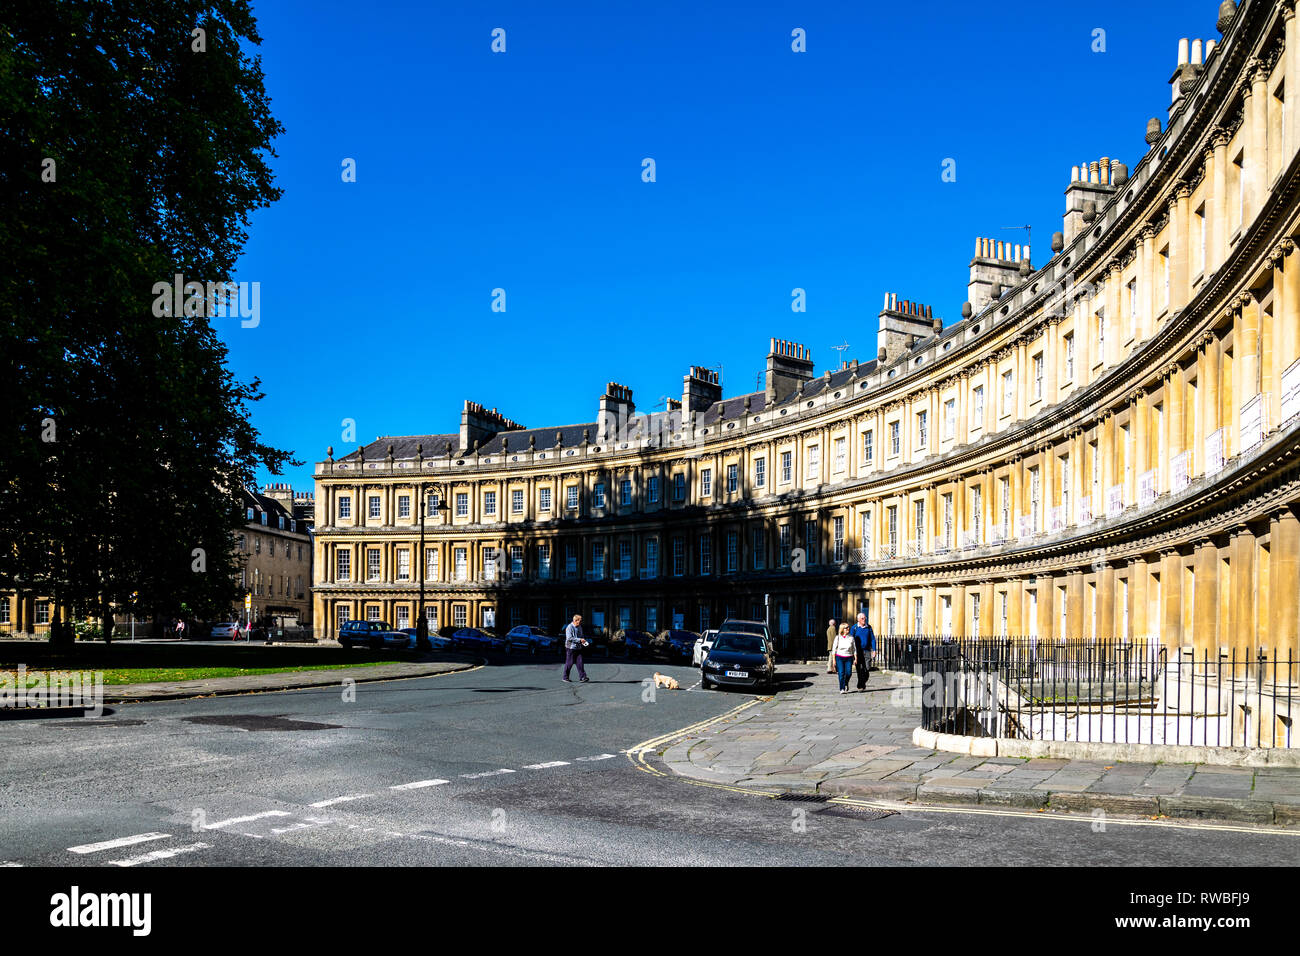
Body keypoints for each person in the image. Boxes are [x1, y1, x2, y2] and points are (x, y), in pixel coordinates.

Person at [851, 611, 876, 691]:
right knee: (859, 669)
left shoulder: (868, 627)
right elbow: (851, 640)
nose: (864, 619)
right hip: (857, 652)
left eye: (865, 618)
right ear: (858, 619)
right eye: (862, 618)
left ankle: (861, 683)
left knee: (867, 668)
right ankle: (861, 685)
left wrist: (874, 650)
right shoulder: (854, 628)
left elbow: (872, 639)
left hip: (867, 651)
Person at [562, 614, 590, 683]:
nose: (580, 622)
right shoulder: (569, 627)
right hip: (570, 647)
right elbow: (569, 638)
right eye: (579, 621)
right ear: (575, 620)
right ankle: (565, 677)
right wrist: (580, 640)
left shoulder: (580, 627)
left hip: (578, 647)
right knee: (569, 663)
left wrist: (583, 641)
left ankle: (583, 677)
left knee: (580, 662)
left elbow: (581, 636)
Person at [831, 623, 856, 694]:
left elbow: (854, 649)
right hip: (839, 657)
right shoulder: (838, 637)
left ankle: (846, 682)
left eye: (848, 627)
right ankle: (842, 688)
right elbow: (834, 649)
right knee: (841, 673)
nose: (848, 628)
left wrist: (855, 658)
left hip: (849, 657)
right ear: (842, 629)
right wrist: (834, 660)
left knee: (849, 673)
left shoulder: (851, 637)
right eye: (846, 627)